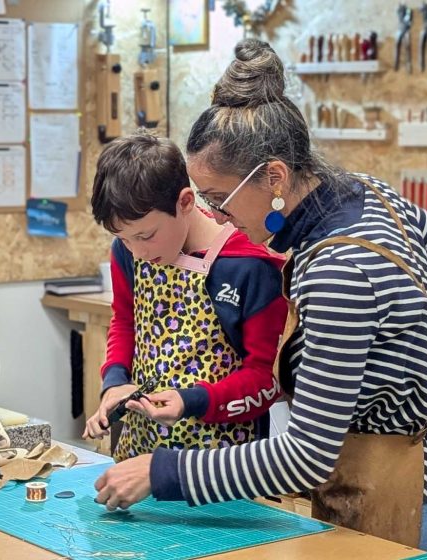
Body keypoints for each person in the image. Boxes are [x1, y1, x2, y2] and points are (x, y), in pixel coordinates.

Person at [93, 41, 427, 560]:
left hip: (405, 498)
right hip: (392, 472)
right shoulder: (367, 195)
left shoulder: (336, 272)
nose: (214, 214)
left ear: (275, 178)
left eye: (219, 199)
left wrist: (161, 471)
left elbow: (304, 456)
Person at [84, 133, 286, 462]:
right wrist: (115, 382)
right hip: (141, 450)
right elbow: (124, 321)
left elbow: (266, 378)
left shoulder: (248, 265)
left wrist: (192, 401)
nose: (139, 252)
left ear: (186, 202)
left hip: (224, 463)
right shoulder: (128, 251)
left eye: (146, 236)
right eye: (124, 239)